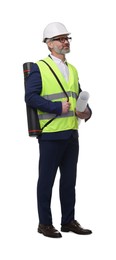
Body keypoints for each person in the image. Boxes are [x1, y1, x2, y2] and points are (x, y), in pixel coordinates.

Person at [25, 22, 92, 238]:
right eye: (60, 39)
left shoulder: (72, 69)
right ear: (49, 44)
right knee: (46, 181)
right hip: (51, 133)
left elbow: (78, 95)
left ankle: (68, 221)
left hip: (72, 133)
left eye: (67, 38)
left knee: (69, 182)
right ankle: (44, 224)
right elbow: (30, 96)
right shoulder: (39, 67)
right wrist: (55, 107)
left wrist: (87, 112)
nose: (65, 42)